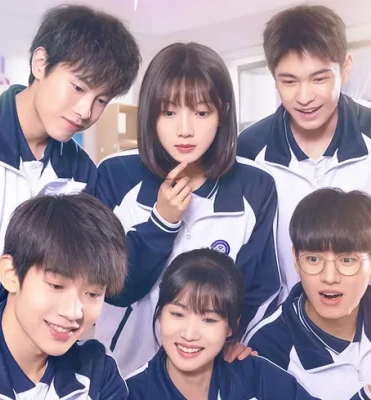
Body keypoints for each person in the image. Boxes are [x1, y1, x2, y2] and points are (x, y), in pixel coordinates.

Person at [96, 42, 280, 375]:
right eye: (169, 113)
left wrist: (238, 338)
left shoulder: (255, 186)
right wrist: (162, 222)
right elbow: (108, 285)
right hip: (120, 371)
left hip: (210, 376)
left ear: (222, 112)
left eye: (201, 113)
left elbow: (260, 287)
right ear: (150, 113)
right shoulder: (115, 174)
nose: (185, 130)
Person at [0, 4, 141, 318]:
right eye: (78, 88)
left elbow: (81, 279)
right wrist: (21, 283)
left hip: (37, 345)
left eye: (101, 100)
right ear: (40, 64)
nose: (85, 111)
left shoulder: (82, 172)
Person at [237, 5, 371, 298]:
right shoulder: (249, 149)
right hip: (285, 323)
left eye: (319, 79)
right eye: (289, 81)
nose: (304, 97)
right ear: (273, 76)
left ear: (346, 68)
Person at [0, 193, 129, 399]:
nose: (73, 312)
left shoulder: (98, 372)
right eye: (56, 285)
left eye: (93, 294)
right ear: (10, 273)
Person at [245, 188, 371, 400]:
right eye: (313, 259)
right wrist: (370, 397)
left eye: (347, 260)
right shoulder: (267, 346)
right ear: (296, 260)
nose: (329, 277)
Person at [126, 248, 318, 400]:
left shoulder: (253, 374)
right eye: (178, 314)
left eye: (209, 320)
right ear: (160, 314)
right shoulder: (132, 393)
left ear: (231, 327)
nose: (189, 334)